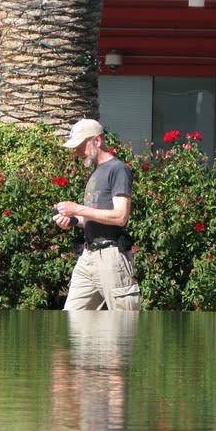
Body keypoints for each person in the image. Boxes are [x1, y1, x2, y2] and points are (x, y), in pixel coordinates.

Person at [53, 118, 141, 311]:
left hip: (111, 257)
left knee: (121, 327)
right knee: (73, 322)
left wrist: (77, 208)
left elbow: (120, 216)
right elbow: (93, 218)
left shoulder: (118, 169)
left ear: (97, 141)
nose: (76, 152)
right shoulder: (95, 173)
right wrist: (73, 220)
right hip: (88, 257)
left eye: (80, 146)